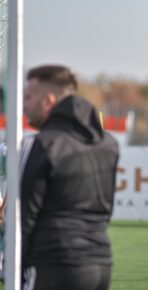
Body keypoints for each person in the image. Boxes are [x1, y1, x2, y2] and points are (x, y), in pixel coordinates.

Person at [21, 65, 119, 290]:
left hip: (52, 264)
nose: (23, 104)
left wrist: (11, 264)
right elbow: (107, 209)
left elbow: (24, 216)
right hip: (100, 264)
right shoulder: (108, 144)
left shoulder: (42, 143)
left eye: (28, 97)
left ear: (48, 100)